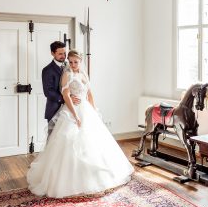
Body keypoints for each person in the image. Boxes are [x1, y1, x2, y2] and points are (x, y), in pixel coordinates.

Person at [27, 50, 134, 198]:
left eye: (75, 62)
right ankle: (69, 181)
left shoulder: (84, 74)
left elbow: (89, 93)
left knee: (95, 143)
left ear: (80, 61)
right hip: (72, 111)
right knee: (69, 141)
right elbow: (66, 96)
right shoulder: (67, 75)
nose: (72, 64)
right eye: (70, 61)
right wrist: (75, 115)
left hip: (86, 109)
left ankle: (96, 177)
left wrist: (94, 110)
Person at [42, 41, 80, 135]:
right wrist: (67, 98)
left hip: (70, 108)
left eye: (64, 53)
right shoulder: (47, 70)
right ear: (52, 53)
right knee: (53, 140)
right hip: (55, 108)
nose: (63, 56)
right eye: (60, 54)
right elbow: (48, 92)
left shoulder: (70, 65)